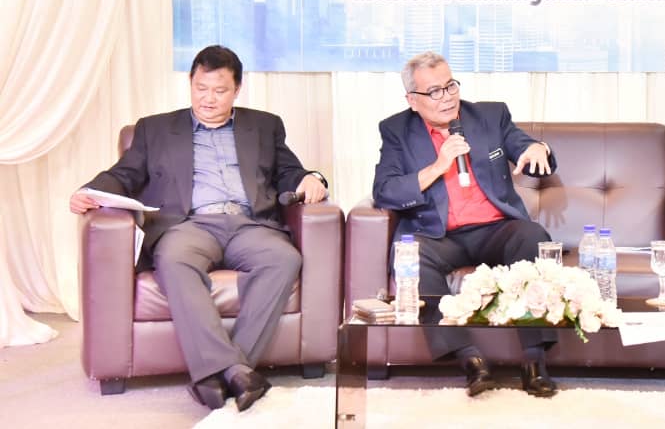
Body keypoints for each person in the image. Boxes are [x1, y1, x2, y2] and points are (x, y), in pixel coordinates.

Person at [69, 45, 328, 412]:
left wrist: (311, 178)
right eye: (201, 88)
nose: (208, 99)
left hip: (249, 223)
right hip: (188, 225)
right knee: (174, 260)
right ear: (190, 83)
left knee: (283, 259)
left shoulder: (264, 125)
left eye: (220, 90)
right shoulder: (155, 129)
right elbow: (124, 174)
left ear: (237, 89)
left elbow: (289, 171)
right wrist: (89, 191)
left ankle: (220, 373)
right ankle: (238, 372)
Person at [372, 51, 559, 397]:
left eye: (450, 86)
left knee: (533, 237)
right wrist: (438, 166)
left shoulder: (490, 115)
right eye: (434, 92)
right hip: (439, 235)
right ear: (412, 100)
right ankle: (472, 361)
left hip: (495, 229)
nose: (447, 97)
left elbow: (523, 145)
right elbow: (385, 191)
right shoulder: (396, 130)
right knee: (410, 256)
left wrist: (537, 148)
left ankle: (534, 362)